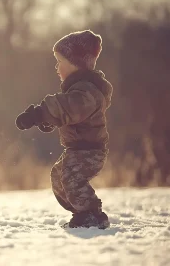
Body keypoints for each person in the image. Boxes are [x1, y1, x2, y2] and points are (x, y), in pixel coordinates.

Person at [15, 30, 113, 229]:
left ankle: (92, 213)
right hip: (77, 150)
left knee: (71, 176)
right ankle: (81, 211)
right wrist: (50, 120)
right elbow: (68, 114)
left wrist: (39, 113)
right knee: (58, 176)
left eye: (60, 62)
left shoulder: (87, 91)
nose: (56, 68)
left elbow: (68, 107)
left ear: (75, 65)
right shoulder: (79, 90)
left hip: (89, 151)